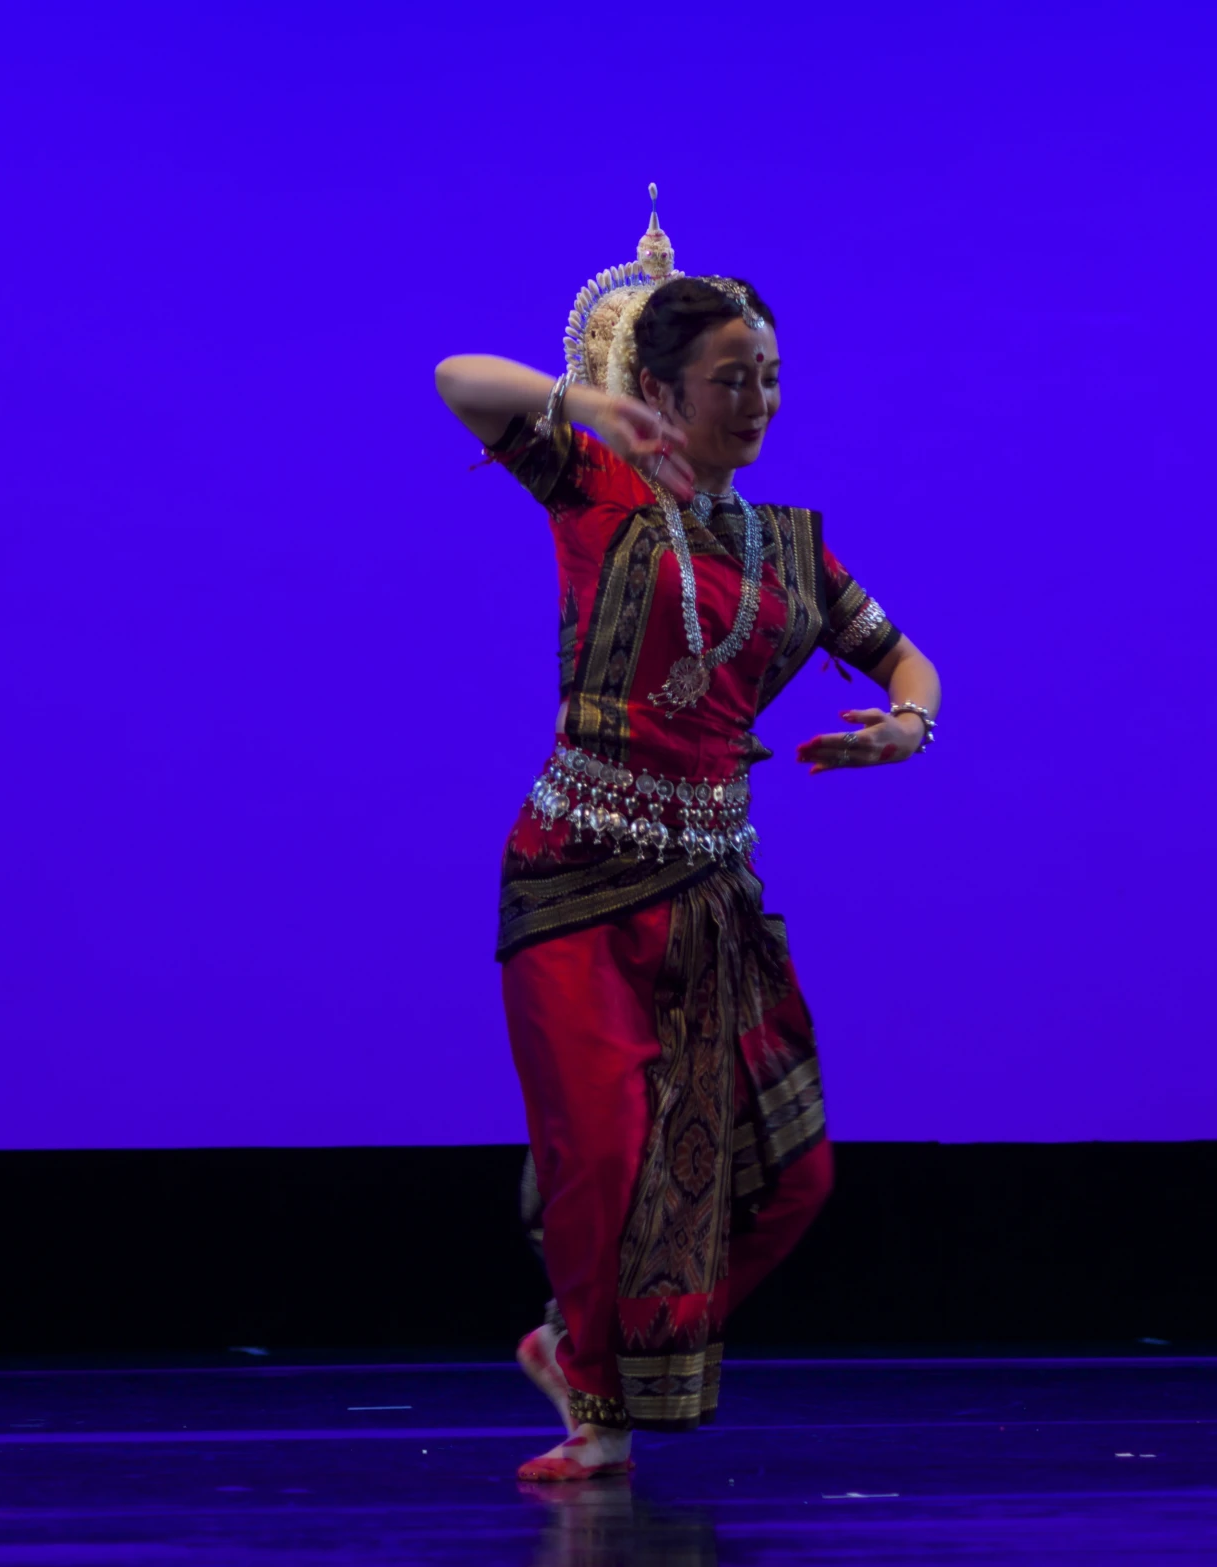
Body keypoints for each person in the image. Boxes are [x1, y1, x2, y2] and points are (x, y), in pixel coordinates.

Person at [434, 189, 942, 1481]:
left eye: (770, 376)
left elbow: (908, 664)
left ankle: (578, 1344)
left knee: (792, 1176)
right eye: (731, 376)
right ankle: (595, 1395)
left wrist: (903, 726)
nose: (758, 399)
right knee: (603, 1155)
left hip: (711, 893)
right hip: (574, 877)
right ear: (662, 384)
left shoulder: (791, 552)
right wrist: (581, 403)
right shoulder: (592, 482)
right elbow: (455, 378)